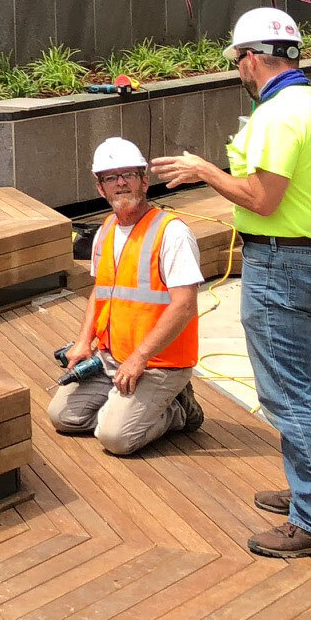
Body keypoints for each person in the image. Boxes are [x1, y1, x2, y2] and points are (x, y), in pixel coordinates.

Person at [153, 6, 311, 560]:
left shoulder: (277, 115)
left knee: (291, 395)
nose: (238, 72)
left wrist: (205, 172)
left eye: (238, 62)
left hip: (282, 268)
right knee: (310, 384)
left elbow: (261, 200)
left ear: (250, 58)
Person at [49, 137, 205, 454]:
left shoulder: (171, 231)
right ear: (100, 188)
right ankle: (125, 408)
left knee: (116, 438)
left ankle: (179, 409)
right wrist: (83, 341)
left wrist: (139, 358)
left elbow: (185, 305)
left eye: (128, 174)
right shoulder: (105, 230)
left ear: (144, 181)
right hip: (112, 356)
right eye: (110, 177)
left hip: (160, 362)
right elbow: (100, 293)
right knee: (63, 417)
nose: (120, 182)